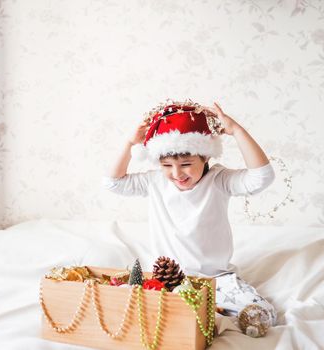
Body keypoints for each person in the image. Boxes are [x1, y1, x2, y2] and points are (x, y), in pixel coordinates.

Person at [102, 100, 277, 337]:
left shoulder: (219, 180)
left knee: (262, 312)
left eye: (186, 164)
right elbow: (113, 182)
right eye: (167, 165)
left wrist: (237, 131)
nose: (177, 174)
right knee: (134, 310)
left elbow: (262, 177)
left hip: (215, 279)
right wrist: (129, 143)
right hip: (166, 280)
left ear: (205, 157)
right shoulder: (155, 181)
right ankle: (202, 312)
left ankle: (214, 310)